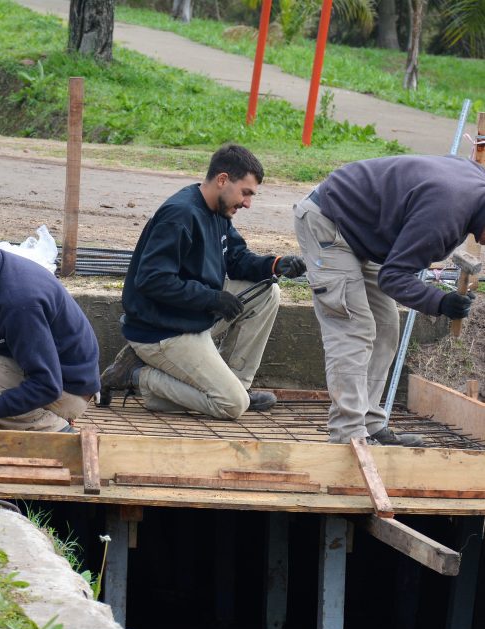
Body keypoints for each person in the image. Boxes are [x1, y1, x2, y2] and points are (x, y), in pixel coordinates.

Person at [100, 144, 306, 418]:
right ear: (222, 180)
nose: (247, 203)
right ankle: (137, 376)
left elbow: (236, 258)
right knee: (231, 406)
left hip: (191, 314)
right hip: (161, 330)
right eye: (245, 192)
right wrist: (212, 298)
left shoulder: (218, 211)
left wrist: (275, 265)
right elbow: (153, 280)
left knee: (268, 293)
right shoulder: (180, 215)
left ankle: (237, 385)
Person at [293, 154, 484, 446]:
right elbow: (394, 277)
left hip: (362, 228)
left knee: (385, 326)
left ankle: (368, 423)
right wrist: (440, 302)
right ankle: (348, 434)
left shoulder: (475, 188)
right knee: (353, 328)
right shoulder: (444, 214)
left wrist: (439, 300)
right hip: (328, 220)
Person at [0, 216, 100, 432]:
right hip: (31, 368)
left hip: (65, 392)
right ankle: (8, 413)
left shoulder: (19, 302)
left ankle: (52, 426)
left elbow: (47, 385)